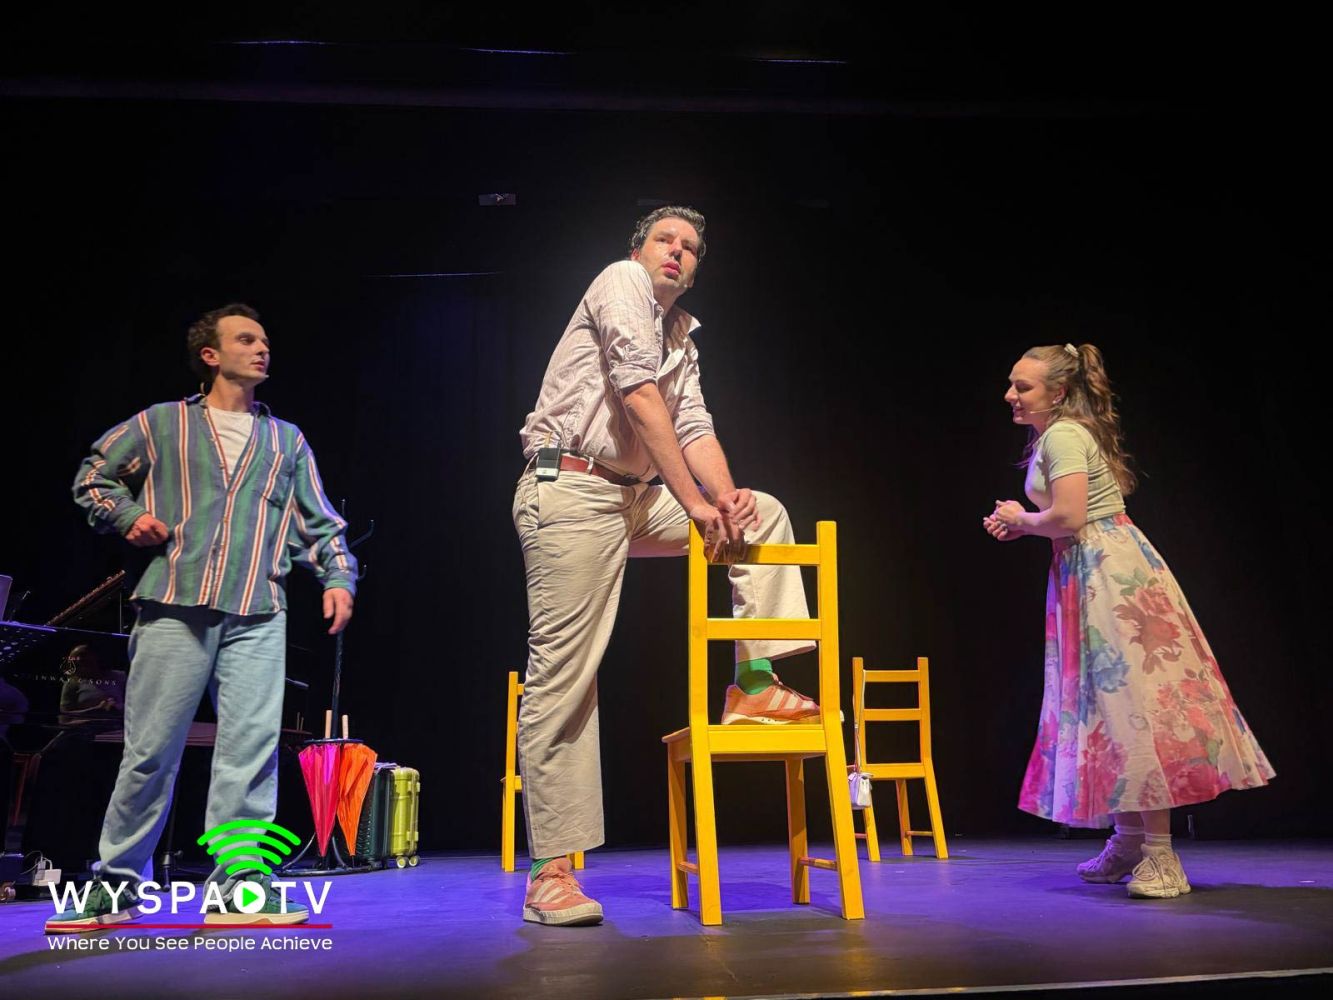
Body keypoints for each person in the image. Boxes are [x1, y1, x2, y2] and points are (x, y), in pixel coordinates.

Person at [513, 206, 819, 926]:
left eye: (689, 247)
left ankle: (753, 683)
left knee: (762, 514)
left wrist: (725, 499)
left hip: (633, 497)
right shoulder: (620, 282)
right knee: (565, 671)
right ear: (638, 250)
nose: (676, 252)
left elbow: (693, 424)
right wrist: (696, 504)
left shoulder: (680, 333)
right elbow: (638, 394)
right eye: (664, 240)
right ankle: (551, 872)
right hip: (572, 488)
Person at [47, 303, 356, 932]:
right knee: (150, 751)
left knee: (250, 752)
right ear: (210, 355)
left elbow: (318, 520)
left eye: (265, 340)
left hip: (258, 609)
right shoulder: (162, 424)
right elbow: (94, 476)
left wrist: (338, 576)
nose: (262, 348)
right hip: (174, 605)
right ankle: (116, 884)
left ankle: (239, 891)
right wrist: (129, 517)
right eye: (246, 339)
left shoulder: (285, 440)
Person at [983, 342, 1273, 899]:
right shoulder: (1056, 436)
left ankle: (1161, 855)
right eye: (1012, 384)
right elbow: (1067, 518)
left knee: (1130, 705)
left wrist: (1023, 518)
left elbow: (1069, 516)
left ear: (1058, 392)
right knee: (1105, 706)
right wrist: (1026, 525)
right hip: (1089, 566)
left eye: (1023, 386)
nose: (1010, 395)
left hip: (1106, 573)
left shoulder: (1064, 436)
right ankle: (1130, 840)